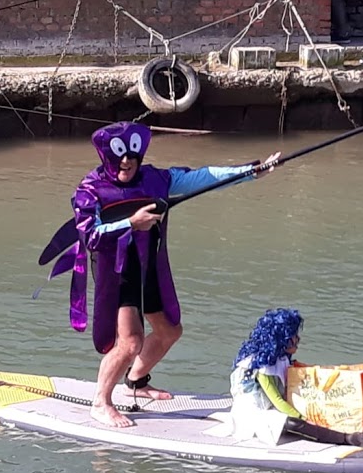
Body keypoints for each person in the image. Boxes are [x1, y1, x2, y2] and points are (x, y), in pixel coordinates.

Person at [71, 121, 281, 428]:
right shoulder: (90, 190)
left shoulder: (156, 179)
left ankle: (136, 382)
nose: (126, 162)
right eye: (120, 158)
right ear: (107, 157)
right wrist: (131, 222)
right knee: (130, 342)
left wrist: (253, 171)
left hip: (149, 264)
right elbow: (90, 236)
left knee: (170, 330)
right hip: (117, 270)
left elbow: (204, 178)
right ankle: (100, 402)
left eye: (132, 156)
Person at [228, 308, 363, 446]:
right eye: (293, 336)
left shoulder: (280, 358)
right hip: (256, 413)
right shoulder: (261, 366)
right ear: (281, 340)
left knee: (317, 399)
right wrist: (304, 417)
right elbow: (277, 401)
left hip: (275, 404)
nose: (298, 339)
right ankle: (348, 438)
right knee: (291, 422)